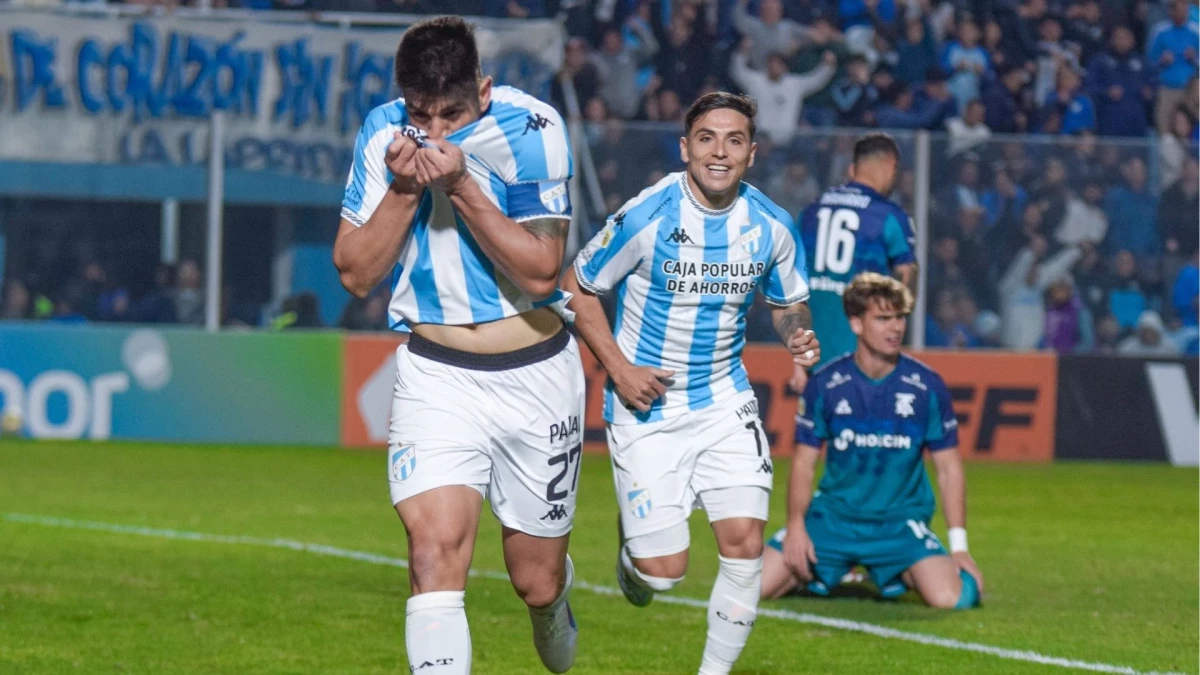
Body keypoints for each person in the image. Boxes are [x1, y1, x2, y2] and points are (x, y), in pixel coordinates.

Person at [331, 17, 582, 674]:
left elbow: (540, 271)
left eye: (452, 114)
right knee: (434, 554)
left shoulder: (534, 130)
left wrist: (462, 185)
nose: (436, 132)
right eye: (422, 114)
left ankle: (555, 599)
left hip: (536, 375)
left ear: (485, 89)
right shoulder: (384, 131)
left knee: (535, 578)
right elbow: (355, 269)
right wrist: (405, 188)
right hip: (437, 375)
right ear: (403, 100)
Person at [561, 91, 820, 675]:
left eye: (734, 140)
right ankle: (635, 555)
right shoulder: (650, 213)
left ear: (751, 152)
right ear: (685, 149)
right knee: (665, 572)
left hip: (725, 401)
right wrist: (620, 371)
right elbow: (577, 286)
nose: (720, 152)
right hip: (646, 405)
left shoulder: (772, 226)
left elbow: (788, 303)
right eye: (707, 138)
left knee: (746, 544)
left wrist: (797, 334)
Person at [761, 273, 983, 609]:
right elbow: (804, 464)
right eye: (882, 319)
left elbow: (949, 469)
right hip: (833, 520)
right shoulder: (826, 384)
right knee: (753, 587)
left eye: (899, 318)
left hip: (898, 525)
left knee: (954, 599)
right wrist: (795, 527)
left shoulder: (927, 386)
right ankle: (839, 569)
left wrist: (960, 547)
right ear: (856, 323)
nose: (895, 328)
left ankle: (889, 572)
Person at [795, 133, 918, 388]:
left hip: (814, 356)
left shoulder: (811, 211)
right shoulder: (888, 215)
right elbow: (905, 274)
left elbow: (791, 283)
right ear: (889, 167)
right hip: (864, 357)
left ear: (853, 169)